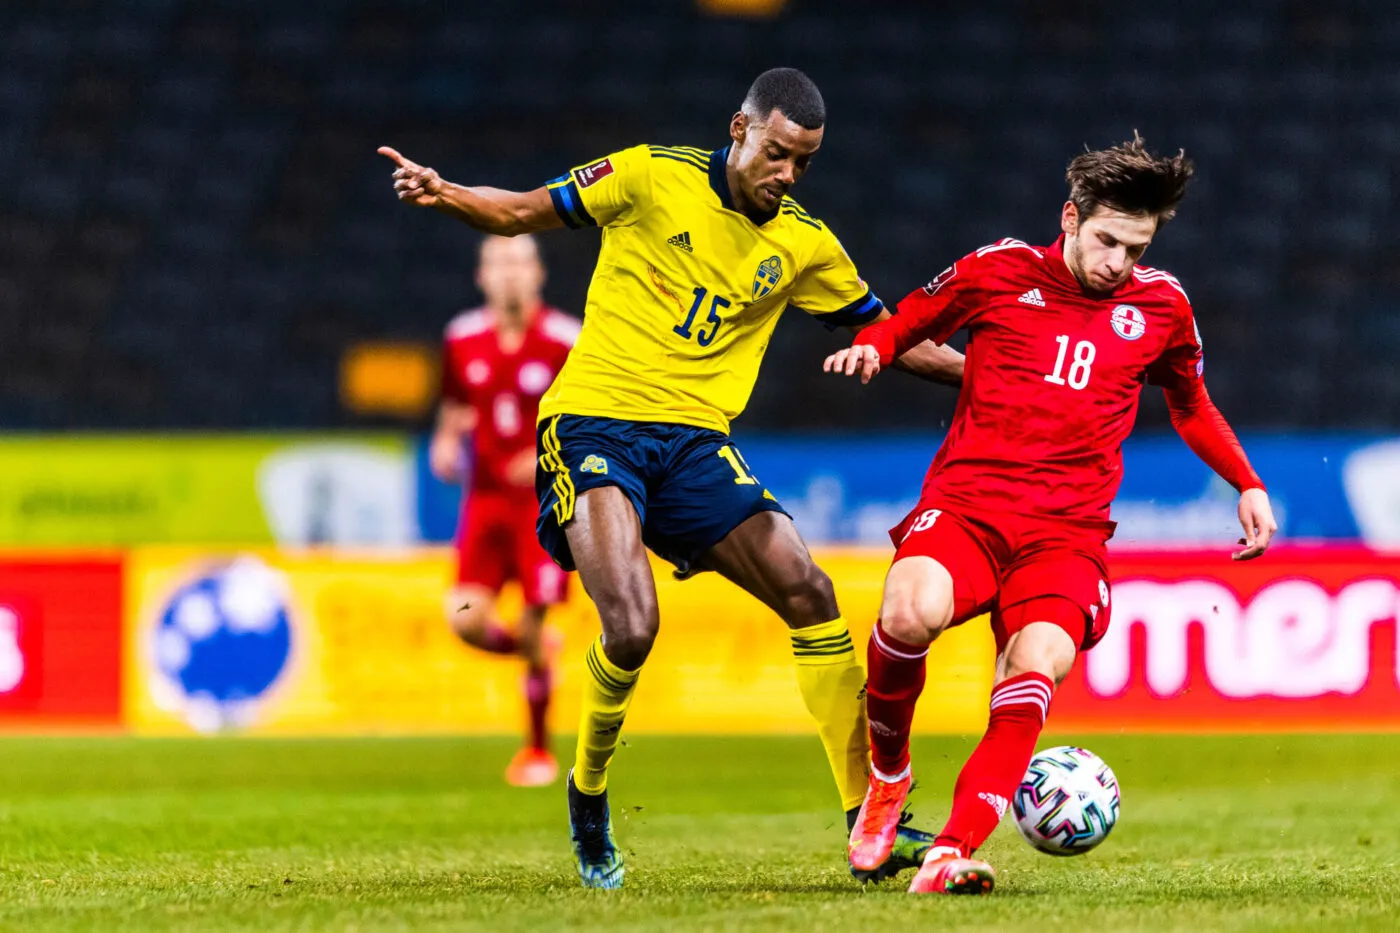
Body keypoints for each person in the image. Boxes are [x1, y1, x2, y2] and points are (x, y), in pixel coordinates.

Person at [380, 67, 964, 888]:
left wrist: (988, 378)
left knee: (809, 587)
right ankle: (587, 792)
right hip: (594, 423)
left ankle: (871, 818)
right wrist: (444, 193)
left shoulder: (803, 243)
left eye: (803, 161)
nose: (787, 174)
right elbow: (519, 212)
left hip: (694, 444)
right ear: (740, 128)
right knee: (632, 625)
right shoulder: (650, 176)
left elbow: (893, 332)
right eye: (776, 153)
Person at [825, 134, 1278, 895]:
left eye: (1134, 248)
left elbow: (1190, 403)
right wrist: (872, 345)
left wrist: (1247, 481)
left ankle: (949, 851)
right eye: (1105, 240)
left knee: (1034, 665)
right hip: (968, 505)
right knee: (908, 612)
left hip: (1066, 535)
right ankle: (888, 777)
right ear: (1069, 218)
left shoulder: (1162, 305)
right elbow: (908, 319)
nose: (1116, 262)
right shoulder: (998, 269)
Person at [432, 234, 578, 788]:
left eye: (520, 263)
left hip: (544, 504)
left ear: (538, 273)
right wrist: (445, 441)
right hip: (485, 503)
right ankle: (533, 651)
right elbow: (455, 403)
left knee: (535, 615)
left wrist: (544, 455)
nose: (511, 274)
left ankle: (537, 751)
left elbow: (591, 417)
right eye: (499, 264)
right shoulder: (462, 337)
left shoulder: (567, 340)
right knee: (464, 621)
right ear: (481, 276)